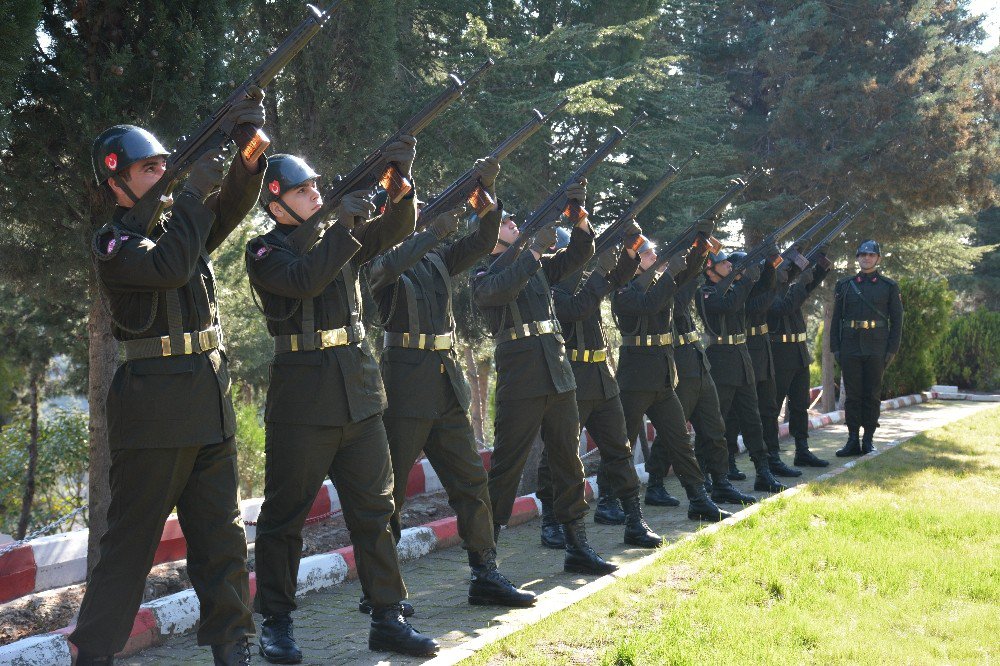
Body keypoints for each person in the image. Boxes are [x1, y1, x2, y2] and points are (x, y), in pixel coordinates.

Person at [76, 89, 266, 666]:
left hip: (207, 396)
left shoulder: (177, 226)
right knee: (130, 549)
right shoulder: (116, 243)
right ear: (116, 182)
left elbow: (230, 205)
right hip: (153, 408)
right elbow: (171, 265)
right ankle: (94, 657)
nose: (160, 174)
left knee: (222, 538)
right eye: (147, 168)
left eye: (163, 164)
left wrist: (249, 148)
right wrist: (188, 194)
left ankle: (233, 650)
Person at [245, 145, 439, 662]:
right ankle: (278, 623)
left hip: (359, 391)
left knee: (375, 510)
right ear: (276, 203)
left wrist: (402, 184)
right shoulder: (264, 252)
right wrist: (343, 229)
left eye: (316, 187)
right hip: (302, 402)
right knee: (285, 517)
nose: (315, 194)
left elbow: (395, 228)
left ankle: (387, 616)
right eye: (303, 190)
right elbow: (306, 280)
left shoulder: (342, 235)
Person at [367, 156, 535, 608]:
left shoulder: (438, 258)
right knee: (391, 490)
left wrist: (486, 195)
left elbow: (484, 239)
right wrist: (430, 232)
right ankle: (380, 587)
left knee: (470, 482)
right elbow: (382, 273)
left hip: (444, 381)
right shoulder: (379, 257)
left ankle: (485, 573)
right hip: (404, 379)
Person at [473, 179, 618, 575]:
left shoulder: (535, 267)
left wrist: (579, 215)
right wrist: (534, 249)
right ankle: (485, 563)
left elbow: (578, 256)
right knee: (507, 467)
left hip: (557, 371)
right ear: (487, 234)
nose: (514, 224)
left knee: (568, 462)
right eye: (506, 223)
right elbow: (497, 292)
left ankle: (577, 545)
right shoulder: (484, 272)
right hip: (521, 375)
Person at [534, 223, 663, 550]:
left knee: (619, 449)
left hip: (601, 375)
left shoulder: (584, 282)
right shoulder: (550, 289)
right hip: (571, 377)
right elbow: (577, 309)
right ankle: (550, 520)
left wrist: (630, 252)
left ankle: (634, 520)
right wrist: (600, 268)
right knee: (557, 454)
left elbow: (617, 279)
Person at [612, 240, 733, 522]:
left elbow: (686, 279)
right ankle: (609, 499)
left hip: (664, 377)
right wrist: (669, 274)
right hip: (637, 378)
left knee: (680, 440)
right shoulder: (623, 290)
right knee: (621, 444)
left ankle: (699, 499)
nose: (656, 256)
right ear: (635, 261)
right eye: (649, 253)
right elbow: (650, 303)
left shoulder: (657, 283)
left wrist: (700, 248)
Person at [696, 250, 787, 494]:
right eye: (723, 263)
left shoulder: (735, 287)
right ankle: (708, 474)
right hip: (721, 360)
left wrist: (768, 267)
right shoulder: (706, 292)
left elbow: (762, 290)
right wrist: (745, 279)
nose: (728, 265)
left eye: (729, 262)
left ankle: (763, 471)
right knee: (717, 422)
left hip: (742, 357)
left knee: (752, 420)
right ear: (710, 270)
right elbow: (728, 305)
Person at [722, 251, 802, 479]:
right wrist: (775, 285)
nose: (753, 272)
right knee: (737, 414)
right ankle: (728, 461)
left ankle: (772, 458)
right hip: (747, 350)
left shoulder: (753, 285)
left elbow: (774, 283)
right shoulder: (735, 291)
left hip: (764, 349)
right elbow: (756, 307)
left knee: (768, 409)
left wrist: (779, 267)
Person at [831, 240, 903, 456]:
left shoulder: (889, 286)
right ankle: (852, 439)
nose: (866, 258)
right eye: (862, 254)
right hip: (850, 347)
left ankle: (868, 439)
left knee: (872, 394)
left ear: (878, 258)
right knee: (852, 396)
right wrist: (836, 348)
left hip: (876, 347)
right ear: (857, 257)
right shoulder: (844, 285)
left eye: (871, 255)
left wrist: (891, 350)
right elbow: (836, 320)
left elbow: (897, 322)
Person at [766, 251, 831, 467]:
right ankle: (772, 456)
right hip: (780, 353)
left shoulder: (789, 289)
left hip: (798, 351)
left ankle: (802, 450)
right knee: (773, 408)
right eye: (784, 269)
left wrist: (819, 269)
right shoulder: (766, 292)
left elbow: (807, 289)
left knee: (800, 406)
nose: (787, 272)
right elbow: (785, 307)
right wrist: (802, 281)